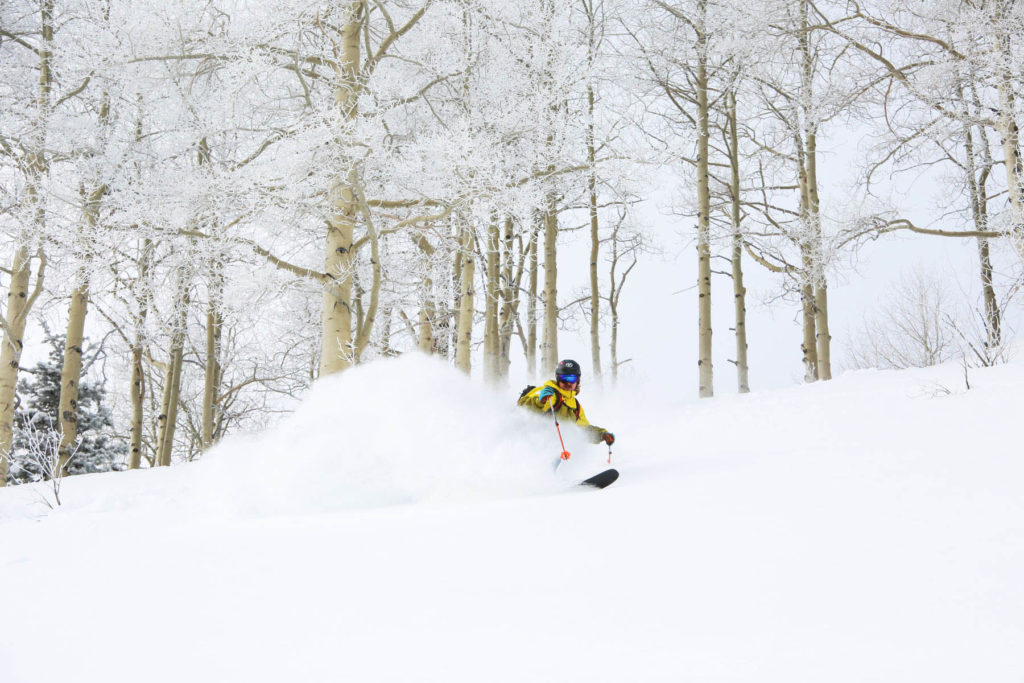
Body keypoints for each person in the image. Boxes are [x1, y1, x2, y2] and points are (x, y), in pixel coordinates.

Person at [517, 359, 615, 447]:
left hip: (558, 448)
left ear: (577, 380)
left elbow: (583, 430)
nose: (568, 383)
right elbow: (522, 405)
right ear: (558, 378)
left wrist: (602, 435)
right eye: (565, 379)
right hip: (535, 444)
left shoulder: (575, 406)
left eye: (572, 379)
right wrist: (540, 401)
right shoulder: (548, 392)